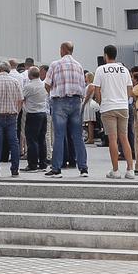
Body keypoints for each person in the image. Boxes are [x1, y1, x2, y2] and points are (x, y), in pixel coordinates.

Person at [44, 43, 90, 177]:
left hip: (60, 100)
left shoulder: (55, 64)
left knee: (59, 135)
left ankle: (57, 168)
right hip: (76, 101)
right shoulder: (79, 65)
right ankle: (83, 167)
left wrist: (52, 94)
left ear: (63, 50)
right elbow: (82, 85)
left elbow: (47, 84)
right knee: (77, 136)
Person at [92, 45, 135, 179]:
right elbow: (130, 89)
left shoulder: (101, 69)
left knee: (112, 139)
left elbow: (97, 90)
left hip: (108, 106)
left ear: (105, 55)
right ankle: (130, 169)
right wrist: (125, 99)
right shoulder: (124, 69)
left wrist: (100, 102)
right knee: (124, 137)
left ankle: (115, 170)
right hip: (122, 106)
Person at [20, 65, 50, 172]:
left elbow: (21, 98)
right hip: (43, 114)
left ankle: (32, 164)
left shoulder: (28, 86)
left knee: (31, 140)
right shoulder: (43, 85)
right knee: (42, 139)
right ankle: (43, 163)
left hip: (32, 114)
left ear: (29, 75)